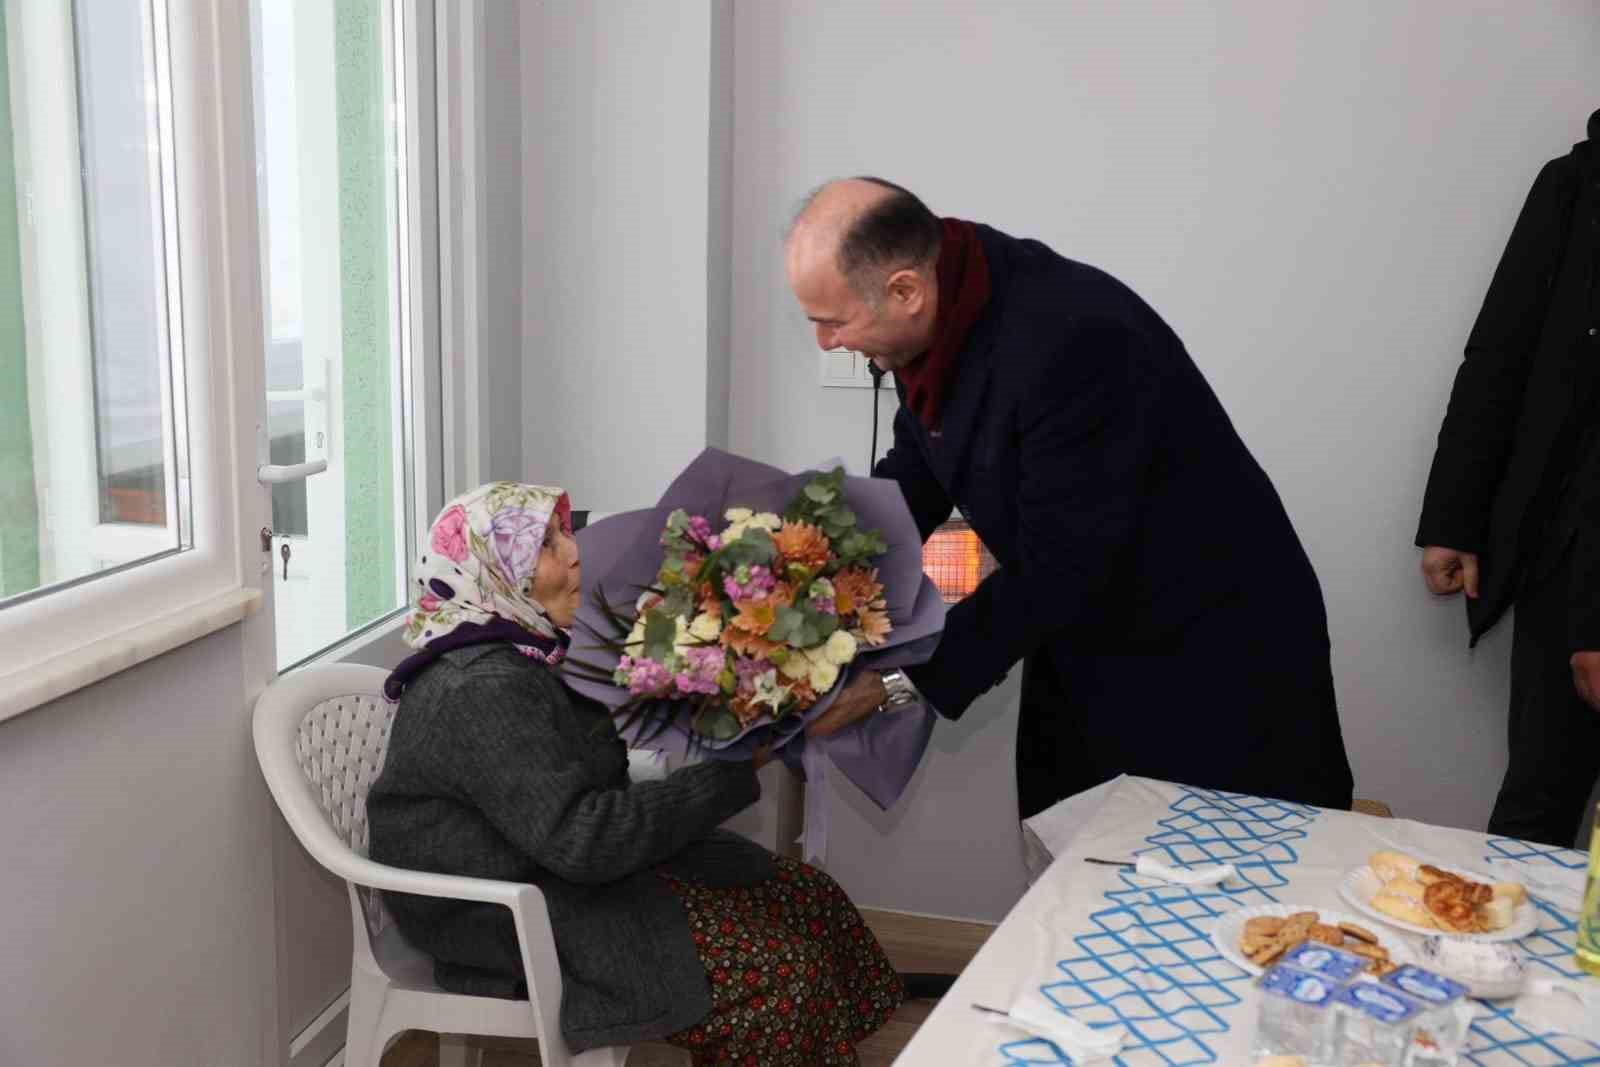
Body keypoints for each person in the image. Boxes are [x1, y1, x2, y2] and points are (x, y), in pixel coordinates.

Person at [788, 177, 1354, 822]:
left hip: (1210, 650)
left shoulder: (1072, 337)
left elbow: (1060, 565)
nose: (825, 342)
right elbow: (916, 474)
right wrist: (795, 574)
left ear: (905, 291)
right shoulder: (942, 310)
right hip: (1085, 631)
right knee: (1076, 842)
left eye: (833, 321)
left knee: (1205, 862)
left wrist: (892, 684)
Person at [368, 482, 902, 1064]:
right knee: (780, 975)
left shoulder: (524, 651)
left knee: (810, 900)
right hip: (497, 909)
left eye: (564, 533)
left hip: (548, 865)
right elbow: (587, 840)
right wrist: (761, 747)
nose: (574, 552)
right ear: (495, 572)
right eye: (544, 545)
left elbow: (588, 793)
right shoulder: (483, 688)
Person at [1417, 113, 1600, 848]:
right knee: (1538, 814)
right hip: (1571, 551)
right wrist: (1455, 517)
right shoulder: (1575, 185)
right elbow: (1501, 353)